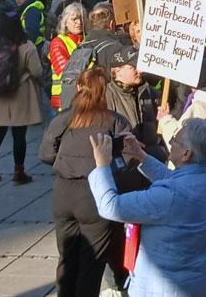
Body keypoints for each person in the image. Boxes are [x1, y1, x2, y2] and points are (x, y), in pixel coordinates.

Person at [87, 119, 206, 297]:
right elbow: (174, 179)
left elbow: (110, 206)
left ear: (186, 154)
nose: (171, 143)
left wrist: (102, 165)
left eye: (175, 140)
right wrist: (141, 155)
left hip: (163, 288)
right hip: (196, 279)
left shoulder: (170, 194)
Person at [38, 68, 131, 296]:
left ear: (79, 88)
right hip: (94, 195)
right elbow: (128, 158)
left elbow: (46, 155)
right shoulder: (114, 121)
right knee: (91, 262)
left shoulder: (63, 119)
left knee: (67, 258)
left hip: (64, 193)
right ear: (105, 92)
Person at [0, 14, 43, 186]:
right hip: (20, 93)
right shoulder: (26, 46)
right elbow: (37, 71)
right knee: (19, 135)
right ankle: (19, 171)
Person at [49, 3, 87, 112]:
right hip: (65, 98)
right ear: (65, 22)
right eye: (74, 19)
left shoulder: (87, 39)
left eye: (81, 19)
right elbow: (64, 71)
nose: (79, 22)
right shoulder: (58, 42)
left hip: (86, 96)